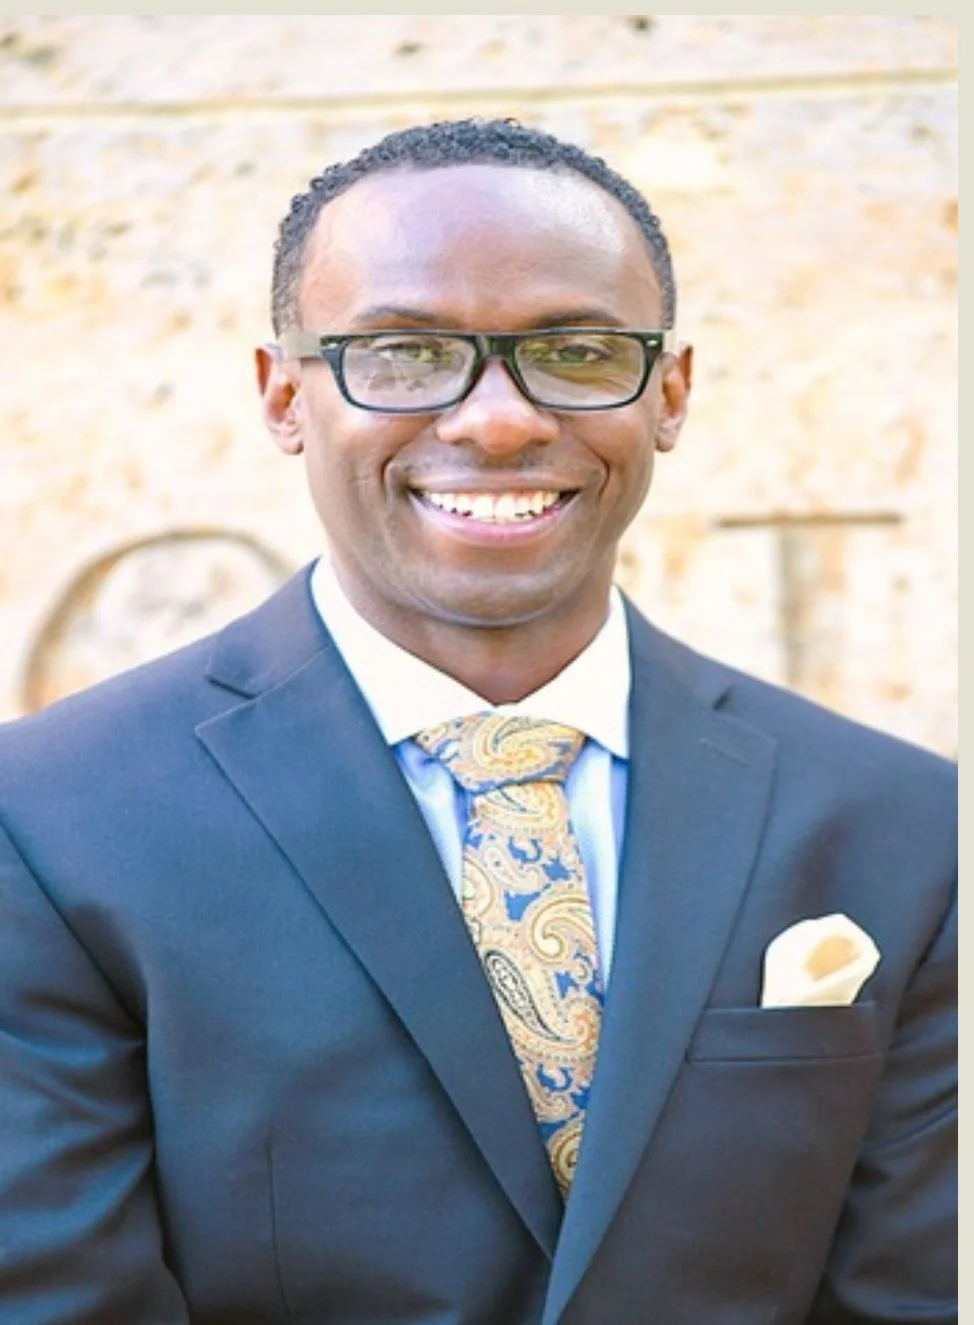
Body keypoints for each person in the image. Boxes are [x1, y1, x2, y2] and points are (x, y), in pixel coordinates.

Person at [0, 117, 956, 1325]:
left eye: (575, 351)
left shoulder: (907, 827)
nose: (497, 421)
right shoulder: (46, 822)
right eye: (403, 352)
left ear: (668, 393)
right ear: (284, 395)